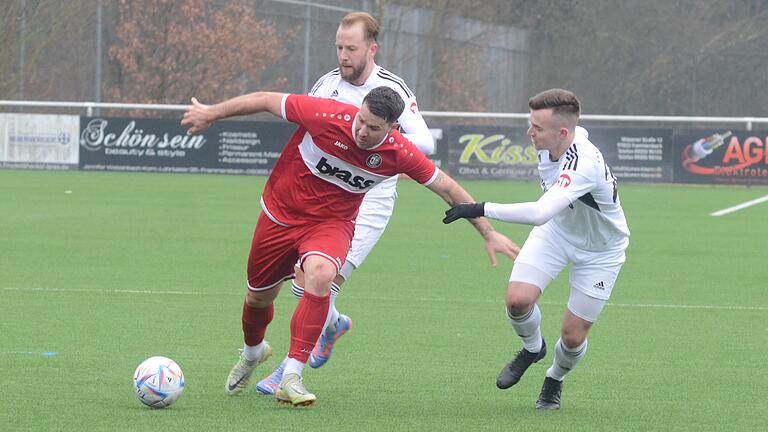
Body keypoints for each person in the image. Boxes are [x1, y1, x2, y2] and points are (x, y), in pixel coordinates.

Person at [181, 86, 518, 407]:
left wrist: (487, 232)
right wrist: (211, 113)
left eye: (373, 128)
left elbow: (447, 188)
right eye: (361, 120)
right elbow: (266, 100)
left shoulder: (398, 152)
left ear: (392, 128)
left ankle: (292, 377)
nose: (362, 131)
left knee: (321, 275)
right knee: (258, 297)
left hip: (331, 225)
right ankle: (253, 352)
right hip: (280, 216)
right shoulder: (326, 115)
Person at [255, 11, 436, 395]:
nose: (343, 55)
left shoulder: (393, 90)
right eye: (339, 47)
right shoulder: (327, 83)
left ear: (371, 49)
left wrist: (388, 145)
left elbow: (426, 143)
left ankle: (289, 370)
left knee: (323, 280)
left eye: (350, 48)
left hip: (370, 196)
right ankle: (332, 325)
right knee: (302, 283)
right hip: (325, 198)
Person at [444, 88, 630, 410]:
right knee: (518, 301)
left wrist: (480, 208)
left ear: (562, 133)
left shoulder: (583, 163)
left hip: (601, 251)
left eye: (537, 128)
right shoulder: (553, 141)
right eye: (530, 124)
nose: (530, 132)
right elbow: (549, 216)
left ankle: (554, 378)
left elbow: (540, 211)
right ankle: (532, 348)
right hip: (557, 232)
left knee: (573, 337)